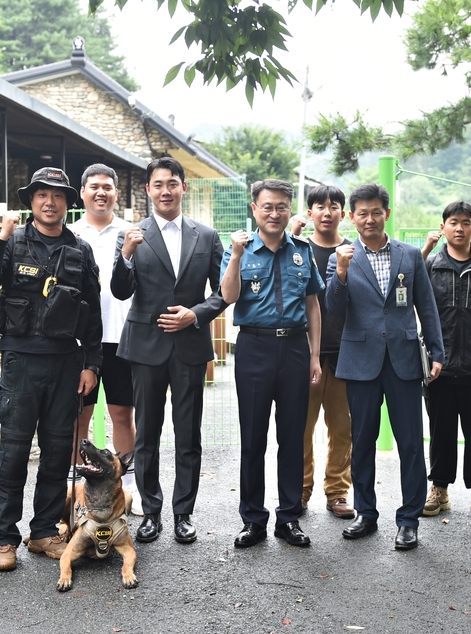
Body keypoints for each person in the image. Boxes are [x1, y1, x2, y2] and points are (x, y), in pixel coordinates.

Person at [0, 167, 103, 571]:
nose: (50, 202)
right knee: (12, 454)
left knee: (54, 456)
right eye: (42, 195)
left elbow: (94, 313)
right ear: (31, 201)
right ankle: (4, 540)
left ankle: (44, 530)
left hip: (65, 364)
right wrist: (1, 236)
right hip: (20, 364)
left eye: (58, 196)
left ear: (68, 202)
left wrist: (92, 364)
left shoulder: (81, 251)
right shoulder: (12, 243)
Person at [110, 156, 226, 545]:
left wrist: (195, 314)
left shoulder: (206, 236)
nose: (165, 190)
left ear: (183, 188)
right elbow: (120, 290)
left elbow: (223, 292)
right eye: (158, 184)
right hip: (146, 345)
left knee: (188, 432)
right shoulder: (132, 234)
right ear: (148, 189)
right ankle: (151, 512)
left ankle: (183, 513)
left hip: (190, 345)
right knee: (147, 434)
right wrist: (125, 254)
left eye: (172, 183)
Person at [326, 183, 444, 551]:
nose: (370, 219)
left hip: (404, 358)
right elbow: (333, 308)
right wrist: (341, 273)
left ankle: (409, 520)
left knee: (410, 443)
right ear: (352, 217)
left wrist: (437, 352)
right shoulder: (340, 256)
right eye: (362, 213)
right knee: (362, 441)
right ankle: (366, 513)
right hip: (360, 361)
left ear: (386, 214)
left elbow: (427, 306)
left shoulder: (409, 255)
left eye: (376, 212)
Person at [221, 178, 323, 549]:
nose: (275, 213)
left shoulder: (302, 250)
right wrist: (234, 255)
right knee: (253, 437)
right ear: (255, 210)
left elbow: (312, 304)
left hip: (295, 348)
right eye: (267, 206)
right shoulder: (240, 250)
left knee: (292, 437)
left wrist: (314, 355)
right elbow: (228, 296)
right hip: (254, 348)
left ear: (289, 210)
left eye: (281, 206)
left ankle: (289, 518)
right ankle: (253, 519)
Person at [68, 163, 141, 515]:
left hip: (122, 337)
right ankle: (78, 490)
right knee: (78, 418)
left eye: (107, 187)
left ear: (116, 193)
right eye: (93, 186)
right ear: (82, 192)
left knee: (122, 415)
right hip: (80, 342)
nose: (101, 192)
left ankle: (127, 489)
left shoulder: (131, 233)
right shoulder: (69, 234)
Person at [420, 201, 471, 520]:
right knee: (441, 430)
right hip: (439, 366)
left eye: (466, 222)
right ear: (443, 227)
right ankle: (439, 489)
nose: (459, 228)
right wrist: (423, 251)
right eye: (453, 222)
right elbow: (406, 289)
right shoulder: (431, 266)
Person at [291, 185, 355, 519]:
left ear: (344, 214)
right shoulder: (298, 249)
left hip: (345, 354)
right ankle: (300, 491)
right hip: (303, 355)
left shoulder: (353, 251)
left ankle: (338, 492)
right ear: (310, 212)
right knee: (301, 426)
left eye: (334, 206)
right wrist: (291, 234)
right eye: (320, 206)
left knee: (342, 428)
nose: (327, 212)